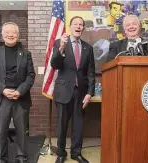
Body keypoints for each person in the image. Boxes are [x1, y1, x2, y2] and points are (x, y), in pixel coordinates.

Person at [0, 22, 35, 163]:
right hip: (1, 98)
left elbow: (31, 76)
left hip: (20, 97)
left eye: (13, 32)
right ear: (2, 35)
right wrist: (3, 90)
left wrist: (20, 91)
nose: (10, 35)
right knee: (1, 132)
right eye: (7, 32)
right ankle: (0, 158)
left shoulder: (26, 54)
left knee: (22, 132)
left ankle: (22, 157)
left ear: (18, 35)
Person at [51, 16, 95, 163]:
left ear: (83, 28)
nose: (78, 26)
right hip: (63, 91)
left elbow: (90, 72)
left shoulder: (88, 47)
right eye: (75, 24)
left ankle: (76, 153)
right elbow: (55, 65)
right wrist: (62, 47)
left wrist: (89, 93)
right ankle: (61, 154)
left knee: (78, 125)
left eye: (81, 24)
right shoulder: (59, 43)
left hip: (80, 93)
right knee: (62, 126)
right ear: (70, 27)